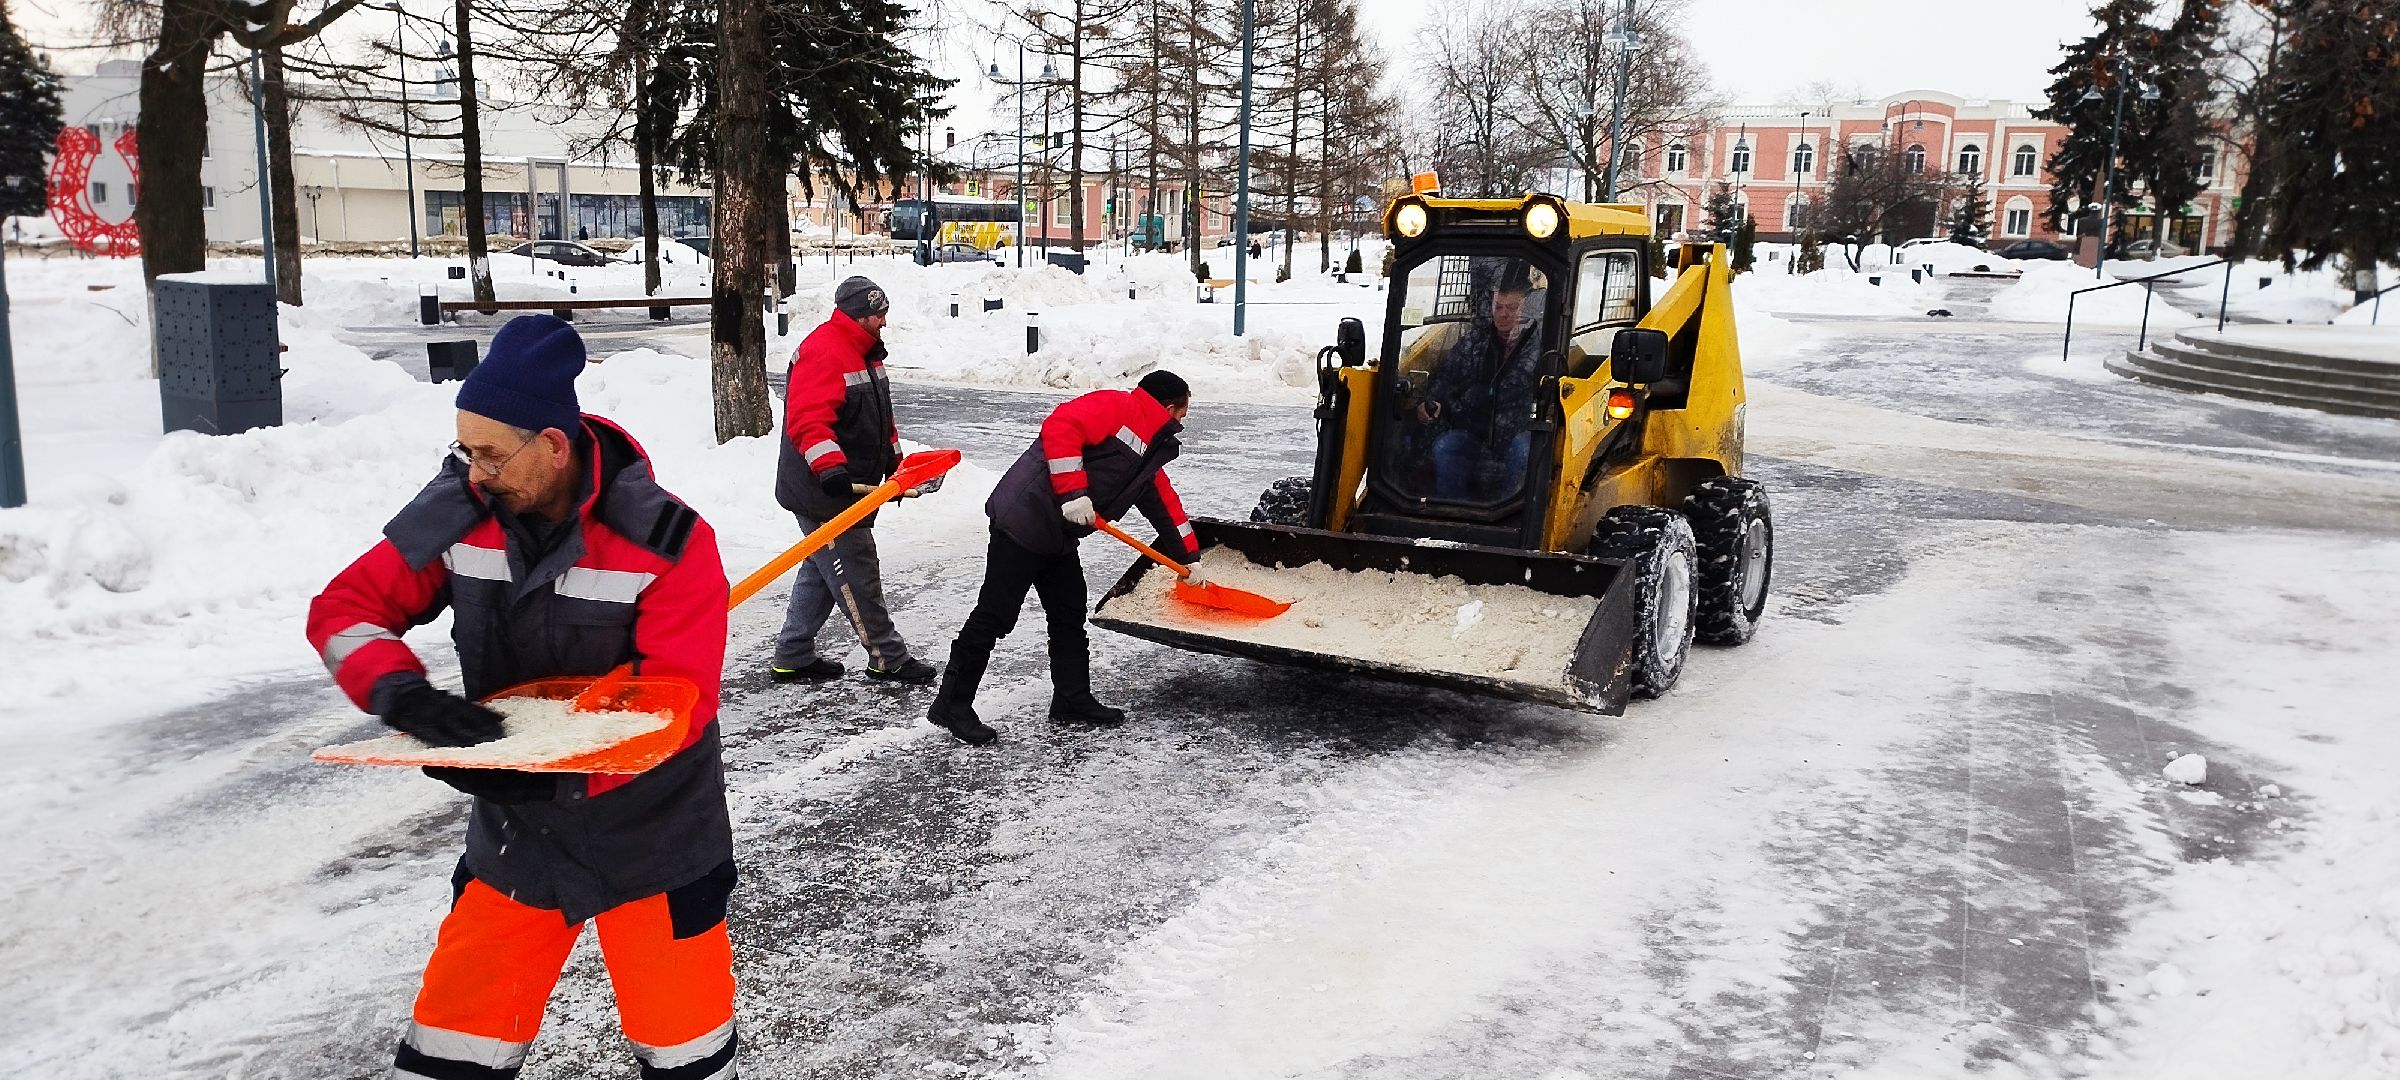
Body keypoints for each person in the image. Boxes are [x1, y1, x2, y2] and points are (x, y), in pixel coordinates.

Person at [305, 315, 740, 1080]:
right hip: (518, 842)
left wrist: (543, 764)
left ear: (554, 445)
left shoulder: (667, 542)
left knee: (687, 1054)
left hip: (657, 838)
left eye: (491, 455)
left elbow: (678, 705)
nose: (475, 472)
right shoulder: (460, 515)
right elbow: (346, 611)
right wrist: (400, 693)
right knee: (452, 1048)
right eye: (464, 450)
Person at [926, 370, 1204, 746]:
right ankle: (951, 705)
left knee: (1069, 612)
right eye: (1182, 415)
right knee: (994, 615)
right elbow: (1062, 426)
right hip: (1024, 519)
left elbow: (1162, 501)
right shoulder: (1117, 406)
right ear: (1170, 408)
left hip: (1057, 535)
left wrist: (1189, 558)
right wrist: (1074, 494)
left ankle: (1071, 698)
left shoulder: (1147, 447)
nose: (1181, 423)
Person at [769, 276, 938, 685]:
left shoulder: (866, 352)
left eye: (884, 313)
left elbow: (880, 418)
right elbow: (808, 422)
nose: (883, 321)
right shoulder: (824, 353)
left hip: (850, 487)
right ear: (856, 315)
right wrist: (830, 470)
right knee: (858, 572)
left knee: (823, 570)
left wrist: (896, 466)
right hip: (823, 491)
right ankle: (887, 656)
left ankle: (792, 655)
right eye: (876, 314)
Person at [1418, 260, 1546, 500]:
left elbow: (1525, 388)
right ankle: (1453, 514)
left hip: (1519, 432)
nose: (1504, 314)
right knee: (1446, 448)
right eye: (1499, 307)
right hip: (1476, 431)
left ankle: (1513, 521)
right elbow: (1446, 377)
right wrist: (1432, 401)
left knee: (1524, 453)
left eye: (1512, 307)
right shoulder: (1474, 343)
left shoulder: (1538, 348)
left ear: (1524, 309)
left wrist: (1486, 394)